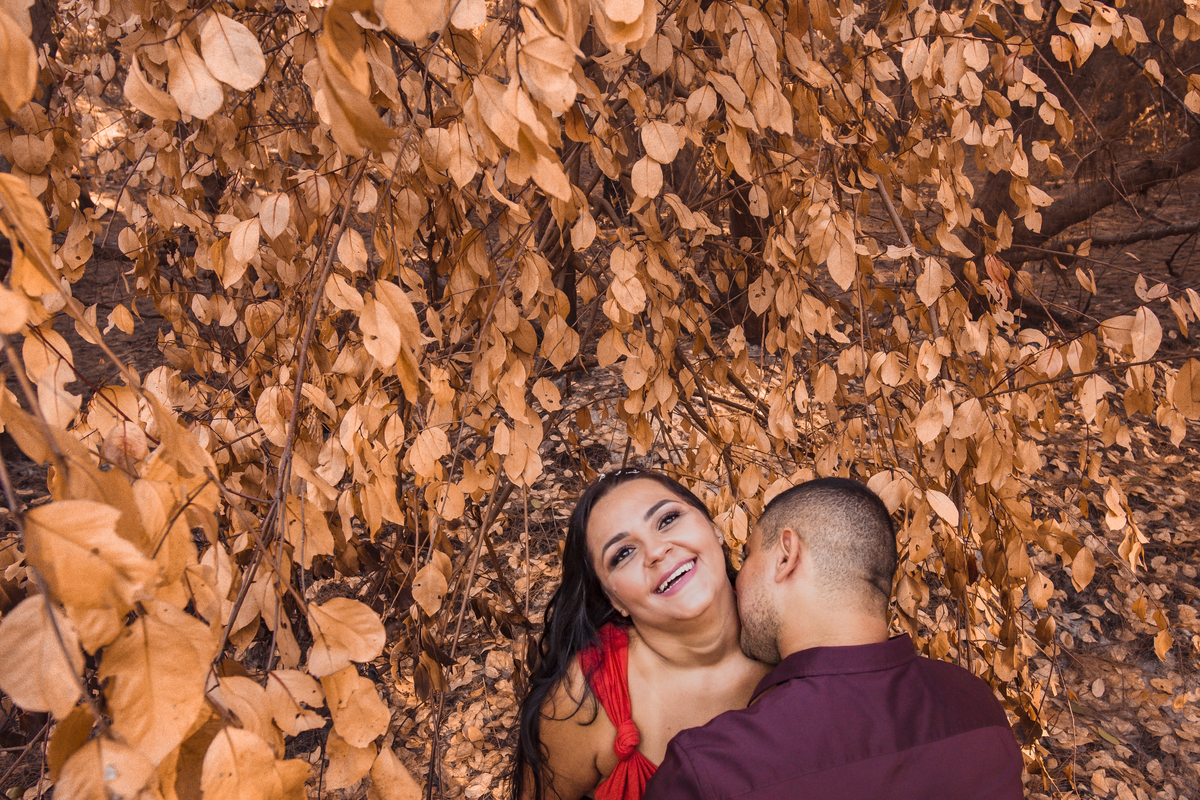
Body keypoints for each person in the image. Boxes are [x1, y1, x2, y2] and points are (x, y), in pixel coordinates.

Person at [643, 477, 1025, 800]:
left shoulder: (711, 769)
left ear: (785, 556)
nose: (736, 582)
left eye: (747, 557)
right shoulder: (976, 704)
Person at [511, 469, 770, 800]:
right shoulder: (585, 697)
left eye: (667, 519)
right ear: (614, 599)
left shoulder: (799, 618)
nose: (657, 551)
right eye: (623, 553)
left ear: (714, 528)